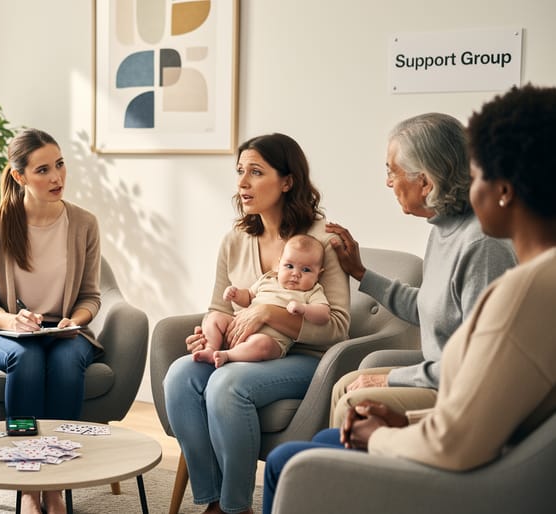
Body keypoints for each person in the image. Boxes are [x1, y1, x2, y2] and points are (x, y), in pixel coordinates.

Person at [262, 84, 556, 514]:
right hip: (475, 444)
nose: (467, 185)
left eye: (477, 173)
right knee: (330, 435)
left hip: (468, 477)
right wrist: (361, 273)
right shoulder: (498, 258)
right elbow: (478, 399)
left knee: (289, 463)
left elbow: (459, 436)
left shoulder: (512, 279)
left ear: (503, 190)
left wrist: (382, 432)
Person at [163, 133, 351, 514]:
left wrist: (267, 313)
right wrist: (207, 336)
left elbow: (338, 327)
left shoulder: (321, 240)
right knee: (180, 377)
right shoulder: (235, 238)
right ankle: (213, 500)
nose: (242, 183)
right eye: (239, 172)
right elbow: (218, 306)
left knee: (227, 386)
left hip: (305, 358)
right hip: (242, 349)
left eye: (255, 172)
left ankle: (236, 507)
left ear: (287, 181)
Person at [325, 113, 515, 427]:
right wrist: (360, 273)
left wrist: (396, 379)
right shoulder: (444, 228)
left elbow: (480, 360)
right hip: (442, 375)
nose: (388, 181)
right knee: (344, 387)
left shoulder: (482, 244)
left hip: (466, 391)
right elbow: (431, 308)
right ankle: (339, 471)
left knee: (356, 400)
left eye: (392, 170)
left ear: (425, 182)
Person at [0, 128, 101, 514]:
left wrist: (72, 321)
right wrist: (11, 319)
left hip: (63, 332)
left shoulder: (84, 224)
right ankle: (27, 484)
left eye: (60, 165)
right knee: (25, 358)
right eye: (43, 170)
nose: (57, 177)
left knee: (64, 359)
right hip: (3, 334)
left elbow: (91, 297)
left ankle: (55, 484)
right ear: (19, 176)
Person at [194, 234, 330, 367]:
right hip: (239, 325)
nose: (295, 273)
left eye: (306, 270)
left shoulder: (311, 291)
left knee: (262, 344)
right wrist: (235, 294)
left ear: (319, 274)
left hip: (272, 340)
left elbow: (324, 314)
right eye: (289, 266)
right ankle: (210, 348)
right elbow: (248, 296)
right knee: (215, 318)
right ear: (279, 263)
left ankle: (228, 355)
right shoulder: (268, 280)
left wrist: (304, 309)